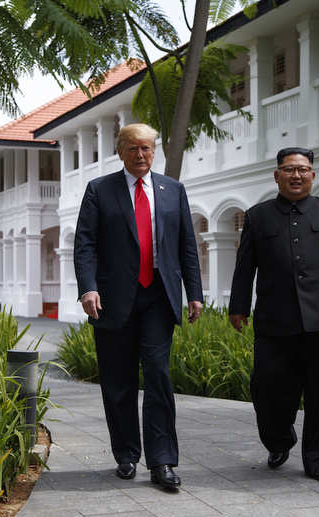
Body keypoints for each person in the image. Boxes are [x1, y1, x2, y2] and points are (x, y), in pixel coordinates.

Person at [228, 147, 319, 482]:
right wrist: (238, 307)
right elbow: (244, 267)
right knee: (267, 391)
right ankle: (279, 440)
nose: (296, 175)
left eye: (303, 169)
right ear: (277, 175)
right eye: (289, 169)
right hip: (273, 322)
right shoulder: (257, 216)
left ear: (313, 175)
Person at [74, 123, 203, 489]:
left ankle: (162, 461)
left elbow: (186, 247)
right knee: (118, 382)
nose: (142, 155)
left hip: (158, 298)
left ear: (154, 150)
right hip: (113, 300)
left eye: (147, 148)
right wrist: (88, 288)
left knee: (159, 376)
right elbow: (85, 245)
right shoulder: (100, 190)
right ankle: (127, 454)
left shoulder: (172, 190)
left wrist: (194, 292)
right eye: (134, 148)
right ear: (121, 151)